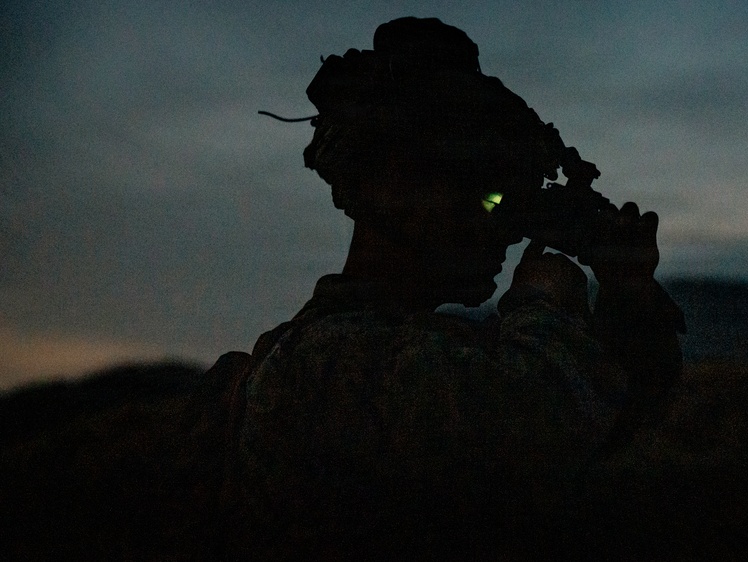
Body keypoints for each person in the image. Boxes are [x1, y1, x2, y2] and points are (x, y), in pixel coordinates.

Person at [209, 17, 685, 558]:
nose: (502, 225)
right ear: (392, 184)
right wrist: (543, 304)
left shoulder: (428, 352)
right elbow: (539, 434)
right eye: (483, 194)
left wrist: (628, 296)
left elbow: (601, 427)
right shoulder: (324, 365)